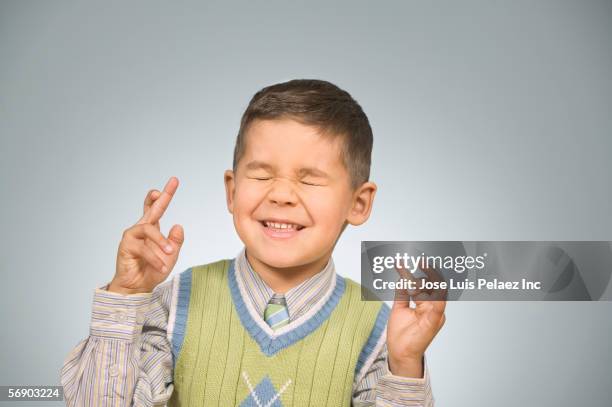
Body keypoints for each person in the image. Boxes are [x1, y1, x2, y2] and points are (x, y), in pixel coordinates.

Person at [60, 79, 446, 406]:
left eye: (309, 179)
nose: (281, 194)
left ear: (358, 203)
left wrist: (406, 365)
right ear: (232, 191)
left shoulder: (378, 328)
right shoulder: (175, 302)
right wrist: (125, 297)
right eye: (261, 175)